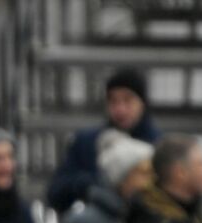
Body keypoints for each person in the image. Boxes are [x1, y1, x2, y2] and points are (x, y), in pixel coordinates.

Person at [46, 67, 161, 215]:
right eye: (113, 101)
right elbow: (55, 193)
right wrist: (89, 184)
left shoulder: (159, 147)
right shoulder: (86, 143)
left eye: (128, 100)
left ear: (142, 103)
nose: (120, 109)